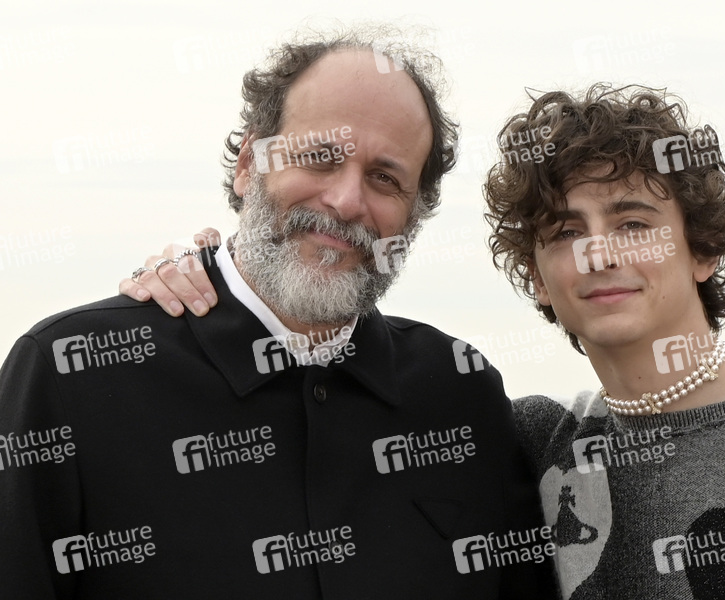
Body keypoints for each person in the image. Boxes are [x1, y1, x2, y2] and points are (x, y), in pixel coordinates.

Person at [137, 83, 725, 599]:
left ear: (702, 249)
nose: (597, 254)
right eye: (565, 232)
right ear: (535, 276)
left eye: (633, 222)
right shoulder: (537, 443)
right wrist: (211, 275)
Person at [0, 29, 555, 599]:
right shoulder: (70, 376)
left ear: (415, 214)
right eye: (318, 158)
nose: (346, 201)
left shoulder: (463, 394)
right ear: (248, 164)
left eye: (385, 178)